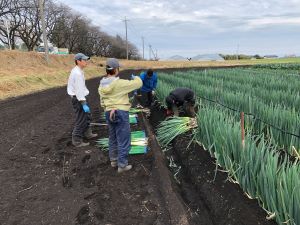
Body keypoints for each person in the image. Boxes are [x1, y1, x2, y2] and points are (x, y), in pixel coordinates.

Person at [99, 58, 142, 173]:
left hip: (108, 112)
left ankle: (113, 160)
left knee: (112, 137)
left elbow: (102, 101)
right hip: (120, 112)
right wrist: (136, 77)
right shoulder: (119, 83)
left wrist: (107, 109)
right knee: (123, 138)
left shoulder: (102, 84)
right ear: (116, 70)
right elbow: (138, 83)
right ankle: (122, 165)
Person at [67, 53, 98, 147]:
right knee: (81, 120)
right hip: (79, 99)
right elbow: (79, 90)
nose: (86, 62)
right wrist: (83, 103)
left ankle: (88, 133)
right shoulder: (77, 73)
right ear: (78, 61)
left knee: (87, 117)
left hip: (80, 98)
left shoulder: (79, 71)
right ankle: (76, 141)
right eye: (84, 60)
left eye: (86, 60)